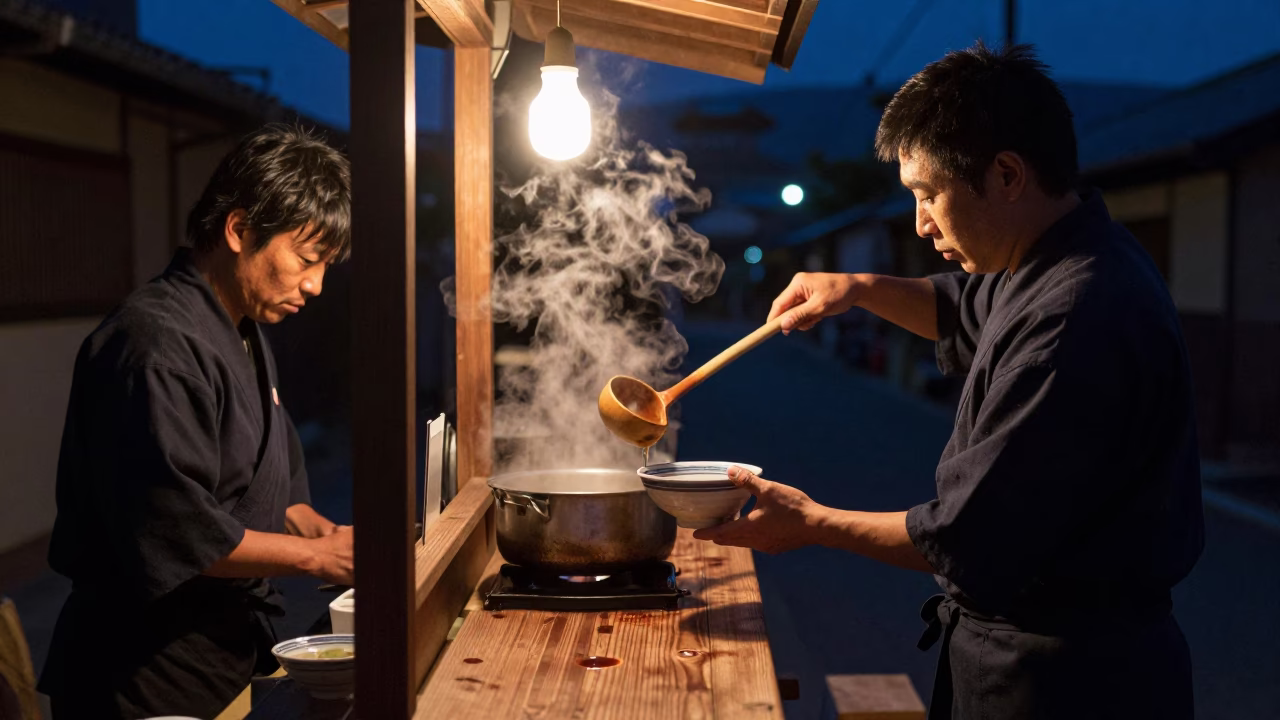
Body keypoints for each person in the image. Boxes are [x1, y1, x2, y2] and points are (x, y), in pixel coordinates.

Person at [694, 43, 1204, 719]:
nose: (920, 222)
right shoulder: (1061, 258)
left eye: (928, 193)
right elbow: (959, 307)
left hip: (1063, 685)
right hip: (1051, 662)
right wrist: (855, 287)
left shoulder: (1071, 320)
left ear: (1007, 174)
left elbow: (967, 539)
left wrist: (812, 523)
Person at [39, 125, 355, 719]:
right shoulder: (152, 345)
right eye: (307, 259)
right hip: (142, 669)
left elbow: (265, 475)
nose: (314, 285)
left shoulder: (240, 326)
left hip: (221, 654)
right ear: (238, 230)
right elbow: (177, 528)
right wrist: (317, 558)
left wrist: (316, 529)